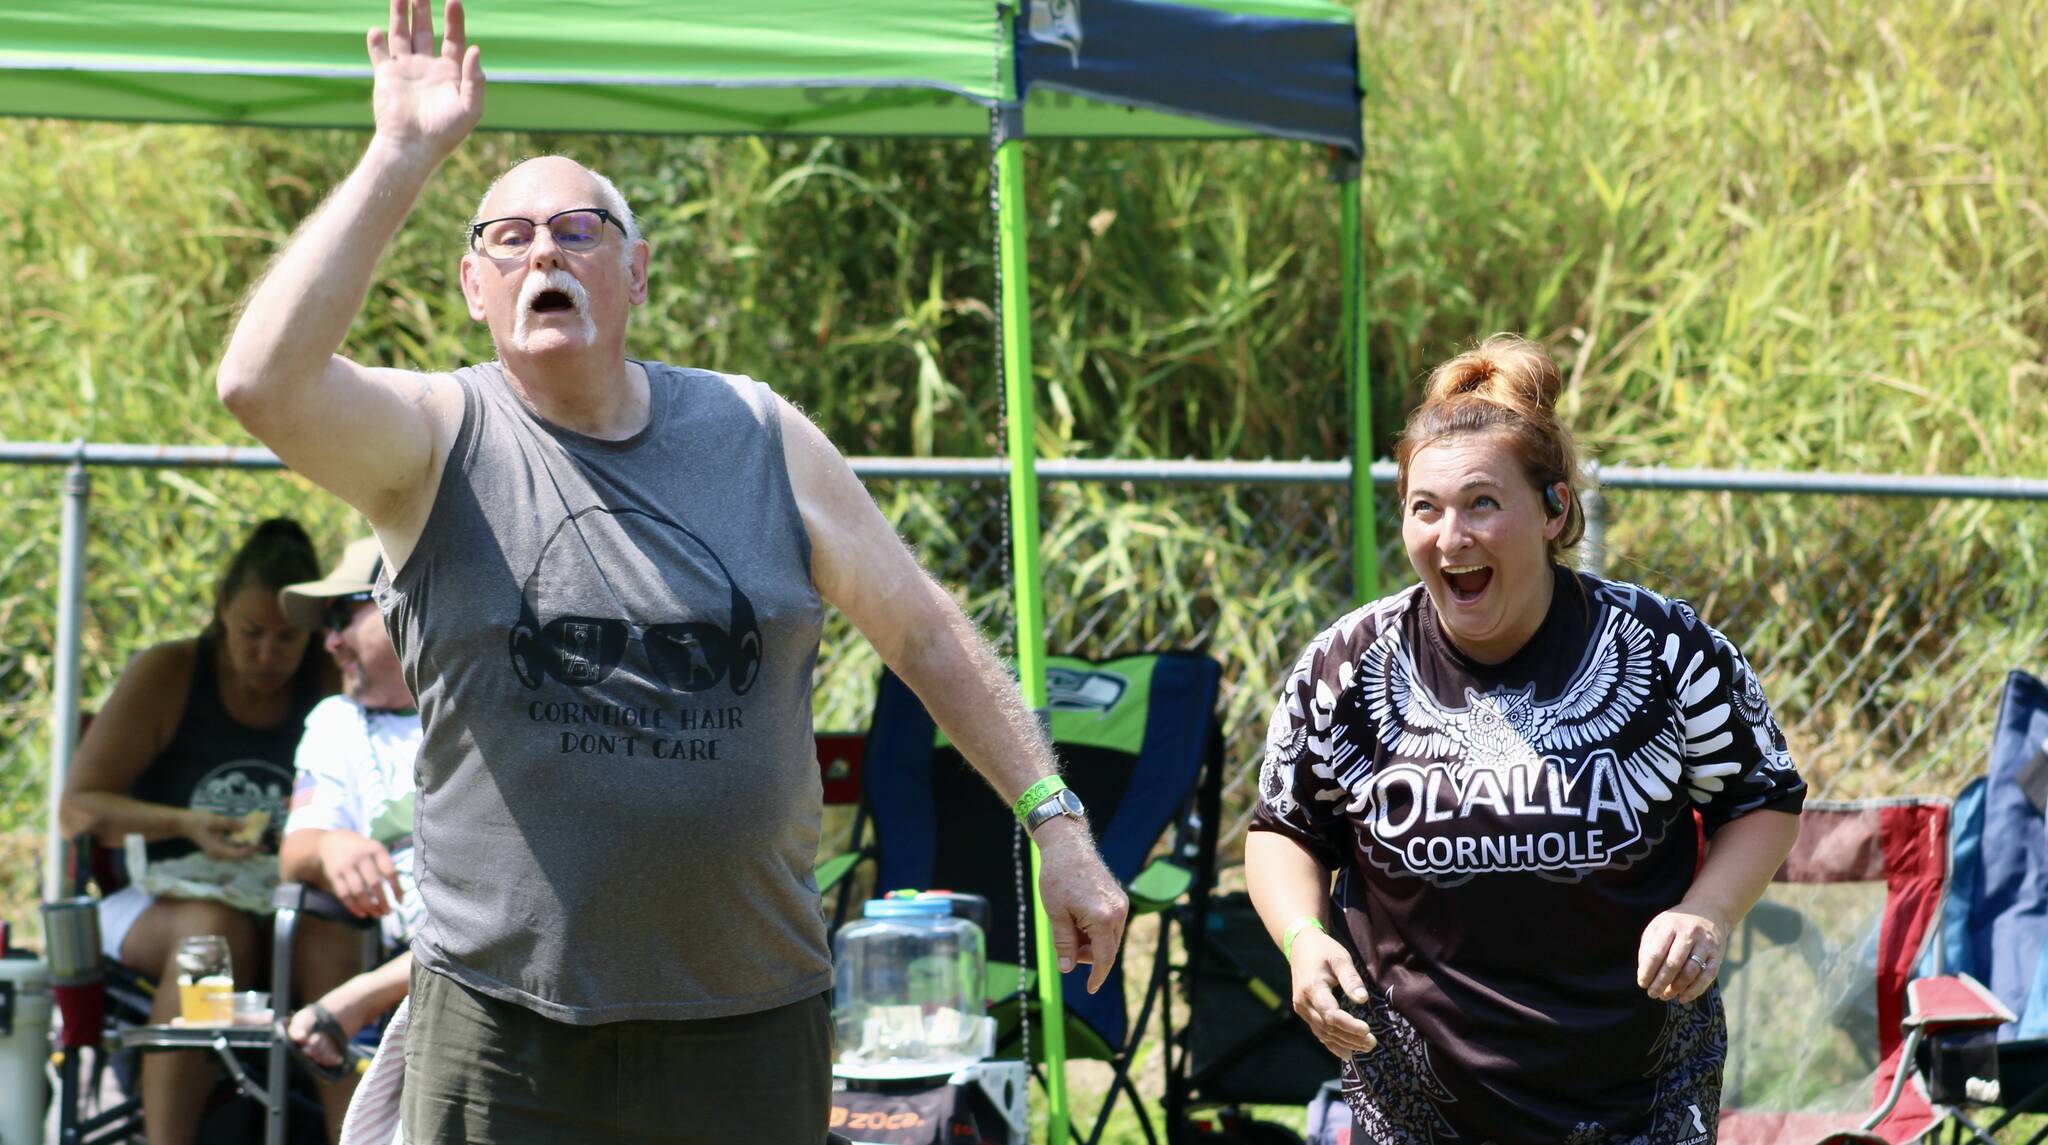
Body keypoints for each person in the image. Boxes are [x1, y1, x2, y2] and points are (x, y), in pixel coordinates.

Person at [213, 2, 1128, 1139]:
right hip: (505, 1028)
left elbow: (925, 632)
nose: (544, 248)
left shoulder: (758, 434)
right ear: (471, 286)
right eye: (510, 236)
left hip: (745, 1025)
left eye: (580, 229)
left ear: (636, 272)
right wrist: (403, 152)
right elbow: (261, 382)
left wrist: (1055, 820)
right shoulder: (433, 439)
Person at [1246, 335, 1805, 1144]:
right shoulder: (1348, 664)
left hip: (1632, 1099)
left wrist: (1708, 912)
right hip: (1416, 1105)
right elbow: (1283, 829)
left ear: (1555, 511)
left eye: (1482, 503)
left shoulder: (1663, 648)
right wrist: (1303, 940)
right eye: (1423, 506)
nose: (1450, 536)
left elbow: (1763, 797)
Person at [58, 517, 331, 1145]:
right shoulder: (170, 673)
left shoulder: (331, 685)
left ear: (314, 639)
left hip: (287, 910)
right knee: (213, 936)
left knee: (329, 933)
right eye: (251, 634)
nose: (267, 657)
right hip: (158, 908)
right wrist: (186, 825)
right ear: (219, 612)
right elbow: (79, 810)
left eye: (287, 640)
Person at [273, 536, 424, 1142]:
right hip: (423, 943)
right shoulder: (339, 721)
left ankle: (358, 1000)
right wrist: (330, 845)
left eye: (343, 616)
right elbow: (295, 849)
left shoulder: (487, 702)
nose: (329, 640)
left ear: (403, 604)